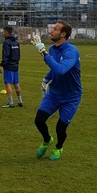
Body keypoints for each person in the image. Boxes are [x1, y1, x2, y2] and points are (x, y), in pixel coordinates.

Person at [32, 20, 82, 161]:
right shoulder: (53, 49)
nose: (51, 31)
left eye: (55, 29)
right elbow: (54, 70)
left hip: (71, 96)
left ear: (63, 34)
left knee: (61, 127)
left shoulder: (71, 51)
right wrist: (46, 79)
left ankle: (59, 147)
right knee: (39, 121)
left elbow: (61, 70)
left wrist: (43, 53)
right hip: (54, 93)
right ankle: (47, 140)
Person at [0, 26, 22, 108]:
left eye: (3, 32)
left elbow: (6, 55)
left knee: (8, 83)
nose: (2, 33)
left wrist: (2, 65)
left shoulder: (6, 42)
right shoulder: (16, 42)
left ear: (6, 32)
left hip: (9, 65)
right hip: (16, 65)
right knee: (16, 83)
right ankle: (20, 101)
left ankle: (11, 103)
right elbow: (19, 55)